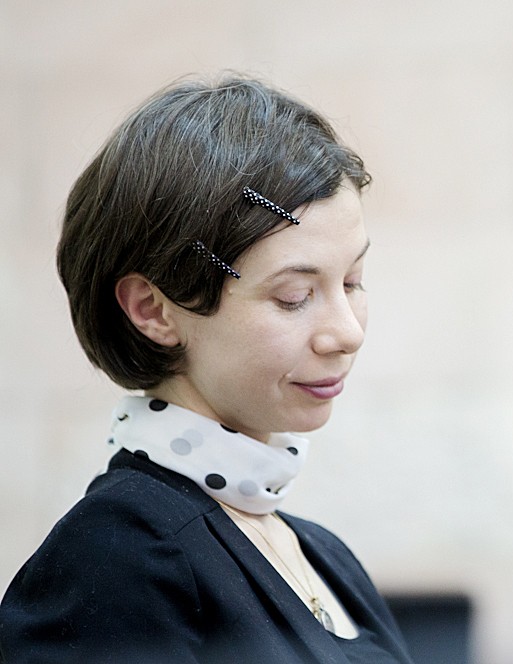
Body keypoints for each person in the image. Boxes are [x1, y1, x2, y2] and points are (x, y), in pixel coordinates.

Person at [0, 75, 414, 664]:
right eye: (294, 296)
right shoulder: (119, 555)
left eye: (352, 282)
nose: (347, 333)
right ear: (153, 310)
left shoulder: (322, 554)